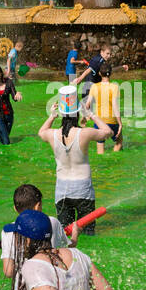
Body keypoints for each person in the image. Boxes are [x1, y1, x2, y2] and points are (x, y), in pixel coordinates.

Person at [39, 100, 111, 234]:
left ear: (62, 114)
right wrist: (91, 114)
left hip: (62, 191)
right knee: (88, 232)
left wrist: (52, 116)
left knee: (64, 234)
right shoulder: (85, 133)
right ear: (77, 113)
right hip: (83, 190)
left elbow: (41, 132)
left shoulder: (51, 134)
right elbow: (108, 132)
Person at [86, 65, 123, 154]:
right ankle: (114, 160)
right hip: (112, 121)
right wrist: (120, 123)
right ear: (111, 73)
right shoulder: (114, 87)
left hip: (99, 122)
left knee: (100, 150)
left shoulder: (94, 86)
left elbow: (87, 105)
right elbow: (115, 106)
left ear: (99, 73)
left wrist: (88, 116)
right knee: (119, 142)